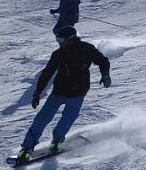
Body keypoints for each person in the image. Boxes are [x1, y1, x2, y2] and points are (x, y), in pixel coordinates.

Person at [14, 27, 110, 163]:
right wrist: (38, 92)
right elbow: (47, 72)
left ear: (70, 39)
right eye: (57, 39)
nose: (59, 42)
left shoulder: (86, 49)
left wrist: (105, 74)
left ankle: (57, 142)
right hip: (59, 91)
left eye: (61, 40)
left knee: (67, 119)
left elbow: (102, 60)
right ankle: (27, 148)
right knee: (41, 119)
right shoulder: (58, 54)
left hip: (78, 92)